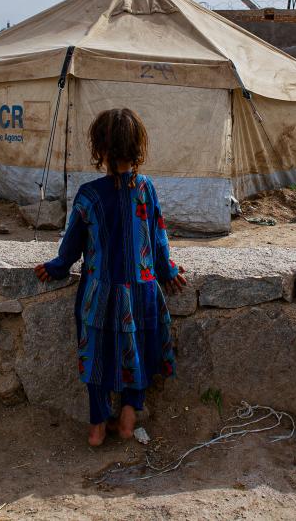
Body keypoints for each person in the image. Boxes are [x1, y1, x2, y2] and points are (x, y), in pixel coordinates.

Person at [35, 108, 187, 447]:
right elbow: (159, 239)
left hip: (99, 293)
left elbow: (71, 247)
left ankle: (97, 425)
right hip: (142, 289)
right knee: (142, 347)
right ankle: (131, 412)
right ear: (137, 148)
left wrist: (57, 267)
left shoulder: (89, 196)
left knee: (97, 356)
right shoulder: (146, 189)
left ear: (99, 150)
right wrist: (168, 272)